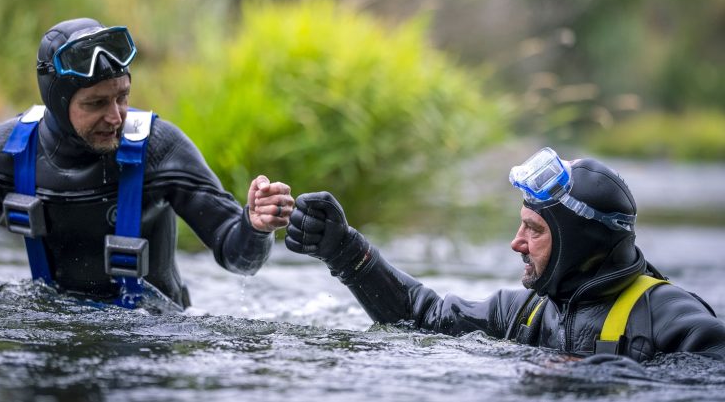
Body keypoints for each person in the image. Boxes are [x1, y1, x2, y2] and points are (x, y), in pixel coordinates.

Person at [0, 18, 293, 309]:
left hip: (151, 341)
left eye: (123, 97)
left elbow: (237, 256)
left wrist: (256, 227)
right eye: (96, 104)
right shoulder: (8, 149)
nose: (115, 117)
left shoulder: (160, 150)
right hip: (50, 334)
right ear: (57, 103)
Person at [285, 147, 725, 361]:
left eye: (533, 230)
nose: (516, 243)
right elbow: (422, 317)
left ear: (579, 243)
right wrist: (345, 252)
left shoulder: (673, 322)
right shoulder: (525, 312)